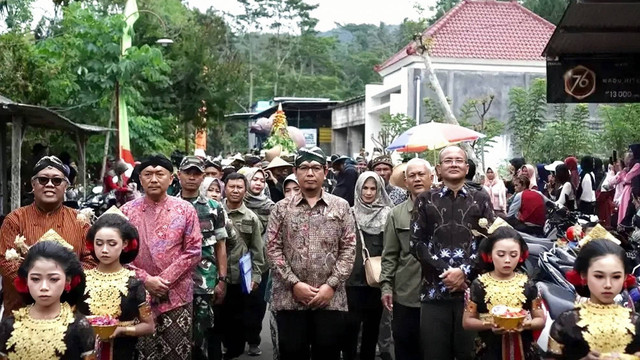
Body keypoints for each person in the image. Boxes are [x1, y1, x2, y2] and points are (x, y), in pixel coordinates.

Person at [267, 147, 356, 360]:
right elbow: (272, 248)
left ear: (325, 172)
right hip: (290, 298)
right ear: (296, 172)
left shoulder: (341, 207)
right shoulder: (281, 208)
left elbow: (349, 249)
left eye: (316, 168)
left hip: (330, 299)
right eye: (304, 168)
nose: (310, 173)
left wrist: (331, 284)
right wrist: (294, 284)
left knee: (328, 353)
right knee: (292, 353)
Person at [410, 146, 494, 360]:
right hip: (434, 291)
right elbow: (416, 243)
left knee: (469, 354)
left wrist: (464, 273)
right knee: (434, 353)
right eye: (448, 161)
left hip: (471, 293)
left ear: (467, 167)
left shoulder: (481, 198)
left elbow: (490, 242)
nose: (454, 164)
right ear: (438, 168)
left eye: (459, 160)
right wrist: (447, 273)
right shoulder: (425, 199)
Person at [120, 154, 202, 360]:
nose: (153, 179)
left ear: (171, 178)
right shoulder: (126, 212)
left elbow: (193, 250)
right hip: (138, 295)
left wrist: (163, 281)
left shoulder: (185, 209)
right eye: (148, 174)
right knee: (142, 353)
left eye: (159, 174)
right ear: (140, 178)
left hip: (177, 295)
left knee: (176, 352)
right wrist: (146, 280)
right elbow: (118, 254)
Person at [0, 156, 95, 315]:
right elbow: (5, 262)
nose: (50, 184)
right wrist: (38, 285)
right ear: (33, 184)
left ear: (66, 186)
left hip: (68, 309)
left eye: (57, 181)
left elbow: (91, 260)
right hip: (22, 310)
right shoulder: (15, 220)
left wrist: (64, 283)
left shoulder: (80, 221)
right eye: (43, 180)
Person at [0, 240, 95, 359]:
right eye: (35, 279)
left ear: (68, 280)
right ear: (26, 281)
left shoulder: (78, 327)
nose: (44, 287)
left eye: (53, 279)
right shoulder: (9, 325)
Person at [79, 211, 155, 360]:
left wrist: (122, 330)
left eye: (112, 244)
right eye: (99, 243)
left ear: (124, 244)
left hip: (122, 351)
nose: (104, 250)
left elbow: (149, 326)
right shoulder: (82, 281)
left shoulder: (134, 283)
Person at [546, 239, 640, 359]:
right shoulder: (567, 322)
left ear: (625, 277)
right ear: (583, 275)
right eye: (599, 276)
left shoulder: (636, 323)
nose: (608, 284)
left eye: (616, 277)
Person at [462, 225, 545, 360]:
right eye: (501, 254)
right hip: (489, 351)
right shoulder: (479, 285)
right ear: (489, 255)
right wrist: (490, 324)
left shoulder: (528, 284)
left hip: (523, 351)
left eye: (513, 255)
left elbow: (540, 319)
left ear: (521, 256)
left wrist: (525, 324)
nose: (507, 260)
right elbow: (467, 321)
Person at [176, 156, 229, 360]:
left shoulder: (214, 207)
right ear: (179, 175)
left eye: (197, 173)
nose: (191, 177)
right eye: (187, 172)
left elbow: (221, 245)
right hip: (174, 282)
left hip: (204, 280)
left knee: (202, 334)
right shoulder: (169, 204)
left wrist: (222, 280)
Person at [380, 158, 433, 360]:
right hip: (406, 295)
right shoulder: (396, 214)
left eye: (421, 174)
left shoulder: (445, 210)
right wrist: (386, 286)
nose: (417, 179)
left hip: (439, 297)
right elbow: (390, 255)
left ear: (431, 177)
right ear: (406, 180)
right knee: (405, 348)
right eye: (412, 175)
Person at [344, 172, 392, 360]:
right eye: (365, 187)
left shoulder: (388, 214)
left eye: (373, 188)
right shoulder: (349, 212)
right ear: (358, 188)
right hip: (351, 280)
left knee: (372, 331)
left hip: (376, 280)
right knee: (350, 328)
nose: (369, 192)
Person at [221, 172, 265, 359]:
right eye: (232, 186)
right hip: (219, 278)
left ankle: (235, 350)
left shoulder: (251, 218)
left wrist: (256, 277)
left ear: (245, 190)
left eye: (240, 187)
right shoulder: (215, 212)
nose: (236, 190)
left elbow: (257, 250)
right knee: (220, 320)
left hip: (241, 279)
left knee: (239, 320)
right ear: (225, 188)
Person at [241, 167, 274, 356]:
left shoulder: (270, 206)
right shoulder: (235, 202)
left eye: (261, 180)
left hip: (262, 261)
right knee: (239, 301)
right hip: (238, 260)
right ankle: (237, 338)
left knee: (258, 302)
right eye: (254, 179)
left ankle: (254, 339)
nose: (258, 183)